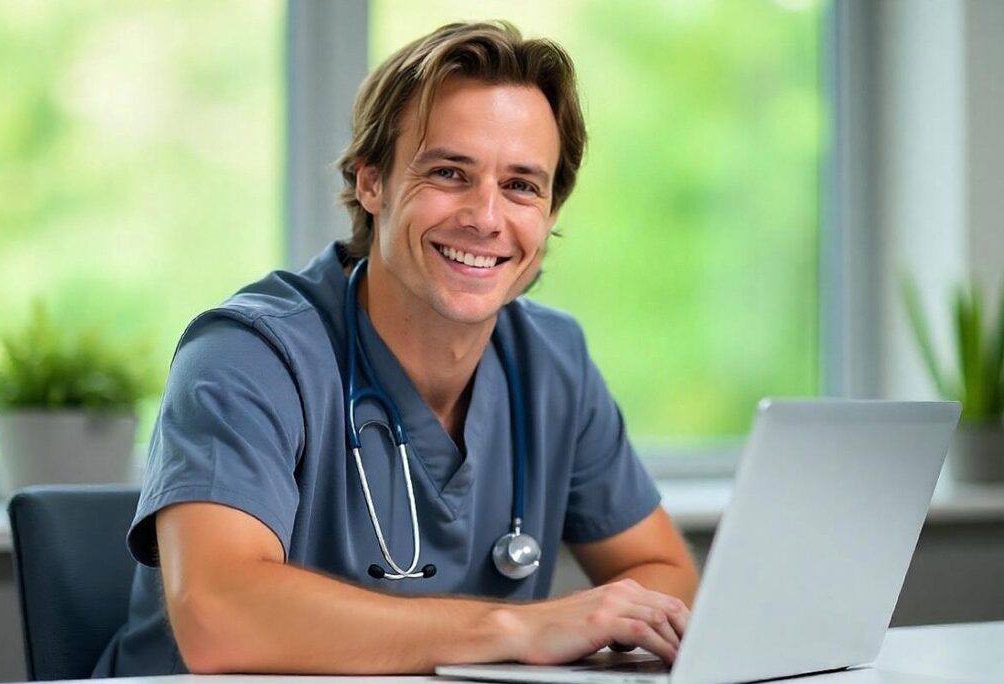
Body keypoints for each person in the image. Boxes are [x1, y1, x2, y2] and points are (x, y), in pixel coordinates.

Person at [94, 20, 698, 677]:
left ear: (550, 214)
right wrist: (517, 627)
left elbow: (665, 573)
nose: (487, 217)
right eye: (449, 172)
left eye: (522, 185)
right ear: (372, 183)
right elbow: (220, 617)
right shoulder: (247, 357)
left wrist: (600, 623)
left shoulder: (553, 363)